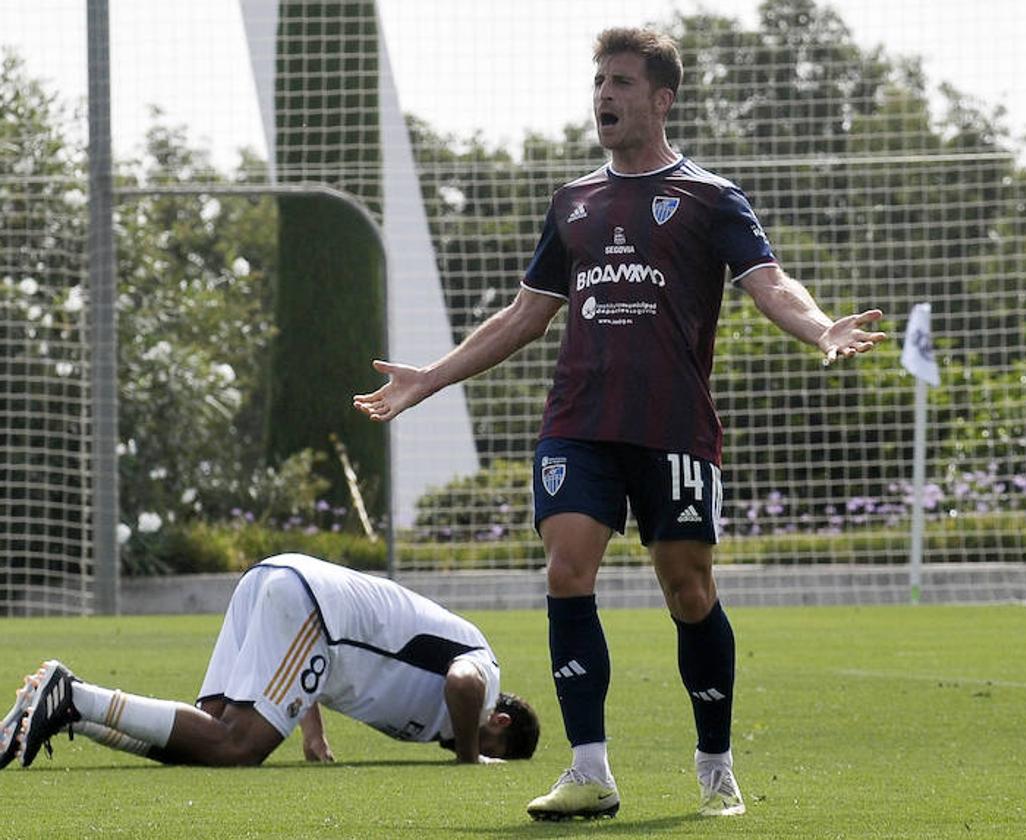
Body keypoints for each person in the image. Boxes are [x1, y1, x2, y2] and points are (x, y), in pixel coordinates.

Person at [352, 27, 886, 820]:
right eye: (599, 80)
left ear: (661, 99)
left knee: (688, 590)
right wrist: (431, 377)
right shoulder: (573, 201)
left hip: (672, 428)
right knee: (567, 573)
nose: (604, 95)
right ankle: (590, 769)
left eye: (623, 82)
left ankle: (715, 768)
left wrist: (821, 330)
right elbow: (526, 315)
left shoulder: (709, 197)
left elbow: (770, 283)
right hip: (578, 423)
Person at [0, 553, 539, 770]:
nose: (473, 743)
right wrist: (471, 759)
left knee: (205, 739)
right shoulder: (485, 675)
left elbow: (333, 665)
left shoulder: (428, 718)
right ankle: (72, 694)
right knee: (238, 749)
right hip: (314, 607)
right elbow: (463, 682)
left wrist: (311, 730)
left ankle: (64, 709)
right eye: (495, 746)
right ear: (500, 722)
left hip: (280, 584)